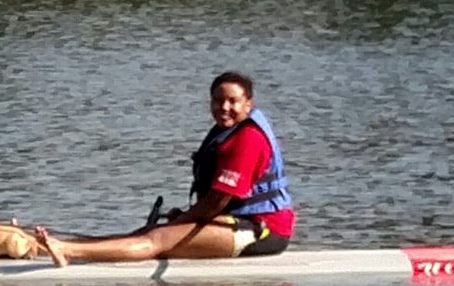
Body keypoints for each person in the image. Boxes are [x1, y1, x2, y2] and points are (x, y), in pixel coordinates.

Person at [33, 71, 293, 265]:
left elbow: (217, 200)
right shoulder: (228, 131)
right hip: (235, 221)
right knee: (147, 232)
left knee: (157, 240)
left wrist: (185, 219)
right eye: (217, 101)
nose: (224, 107)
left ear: (249, 104)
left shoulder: (248, 139)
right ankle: (63, 247)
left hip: (264, 231)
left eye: (233, 101)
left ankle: (68, 252)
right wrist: (186, 215)